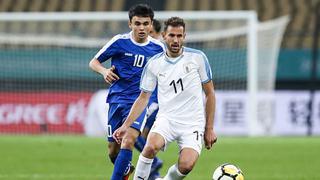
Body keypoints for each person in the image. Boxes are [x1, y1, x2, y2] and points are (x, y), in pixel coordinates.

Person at [113, 16, 218, 180]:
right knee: (149, 148)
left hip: (193, 123)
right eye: (171, 35)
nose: (175, 40)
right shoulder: (154, 63)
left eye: (179, 36)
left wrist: (209, 128)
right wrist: (126, 125)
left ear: (184, 36)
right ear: (163, 36)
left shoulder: (198, 58)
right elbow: (143, 98)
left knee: (186, 165)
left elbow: (210, 93)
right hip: (167, 119)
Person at [89, 4, 164, 180]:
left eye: (146, 24)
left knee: (129, 139)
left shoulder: (158, 49)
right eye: (137, 23)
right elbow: (94, 62)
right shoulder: (119, 41)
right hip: (116, 100)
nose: (142, 28)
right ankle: (126, 169)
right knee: (113, 151)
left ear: (151, 24)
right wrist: (105, 71)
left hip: (139, 102)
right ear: (130, 24)